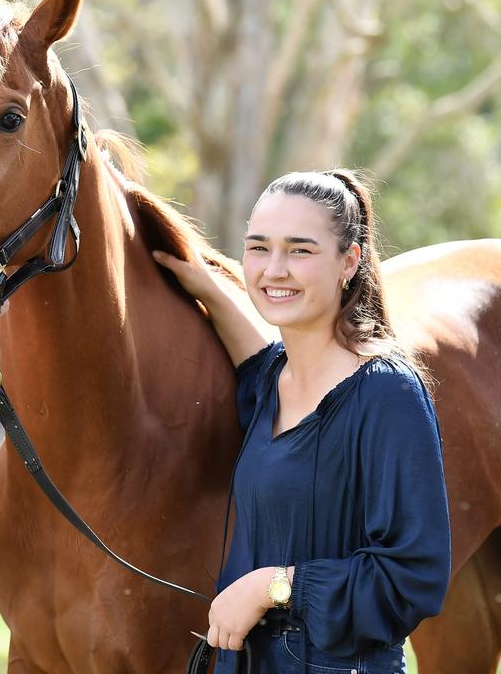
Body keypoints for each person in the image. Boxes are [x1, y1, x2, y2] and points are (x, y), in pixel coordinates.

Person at [153, 170, 451, 673]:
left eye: (300, 250)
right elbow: (252, 355)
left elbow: (413, 575)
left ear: (349, 262)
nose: (274, 270)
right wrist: (205, 285)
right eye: (258, 248)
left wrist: (273, 586)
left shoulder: (387, 392)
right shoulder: (272, 379)